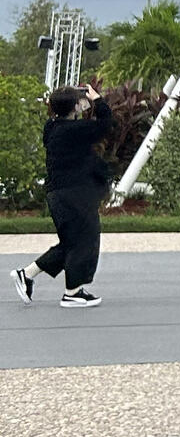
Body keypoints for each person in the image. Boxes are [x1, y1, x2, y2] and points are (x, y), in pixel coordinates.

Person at [12, 84, 114, 308]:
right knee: (84, 241)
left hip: (60, 195)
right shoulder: (72, 131)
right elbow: (105, 124)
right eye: (79, 100)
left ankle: (27, 274)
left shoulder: (53, 127)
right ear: (75, 106)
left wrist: (77, 103)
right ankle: (72, 293)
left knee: (72, 241)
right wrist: (97, 100)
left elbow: (82, 126)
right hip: (73, 195)